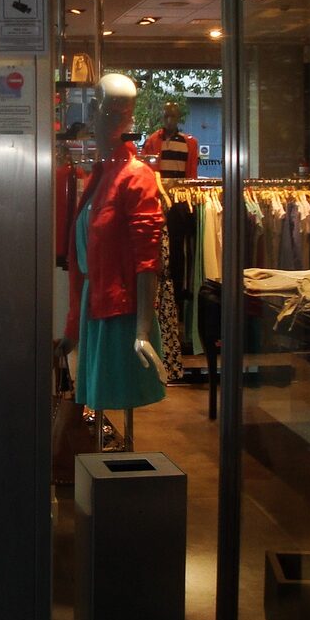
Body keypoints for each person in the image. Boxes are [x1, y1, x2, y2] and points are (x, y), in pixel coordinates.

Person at [57, 73, 167, 423]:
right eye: (108, 112)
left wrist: (142, 332)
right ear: (92, 113)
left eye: (123, 115)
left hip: (121, 318)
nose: (114, 122)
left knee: (117, 406)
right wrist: (73, 326)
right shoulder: (99, 175)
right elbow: (81, 260)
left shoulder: (137, 176)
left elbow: (147, 260)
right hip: (95, 308)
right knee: (94, 404)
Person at [142, 101, 199, 179]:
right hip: (158, 186)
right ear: (162, 118)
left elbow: (192, 173)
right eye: (166, 116)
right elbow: (146, 170)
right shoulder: (151, 141)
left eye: (173, 116)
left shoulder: (190, 144)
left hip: (181, 186)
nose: (169, 120)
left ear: (178, 118)